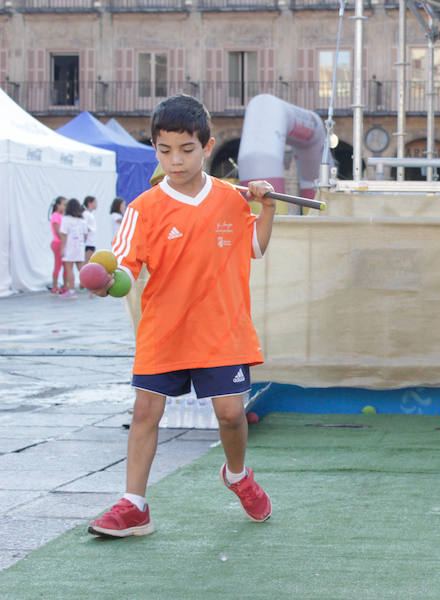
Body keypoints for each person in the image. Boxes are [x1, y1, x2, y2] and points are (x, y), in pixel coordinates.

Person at [86, 94, 277, 537]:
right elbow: (124, 271)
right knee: (145, 412)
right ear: (155, 147)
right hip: (165, 331)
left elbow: (255, 248)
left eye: (186, 150)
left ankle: (236, 475)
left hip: (222, 330)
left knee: (231, 415)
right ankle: (134, 506)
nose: (175, 160)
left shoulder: (232, 199)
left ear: (207, 147)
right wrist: (105, 283)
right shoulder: (142, 209)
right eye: (165, 150)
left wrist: (266, 208)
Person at [57, 198, 87, 299]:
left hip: (69, 247)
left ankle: (72, 291)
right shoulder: (82, 220)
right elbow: (85, 235)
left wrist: (62, 249)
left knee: (69, 269)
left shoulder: (66, 220)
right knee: (82, 269)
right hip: (79, 247)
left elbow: (63, 236)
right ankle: (93, 287)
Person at [48, 196, 65, 294]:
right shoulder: (55, 215)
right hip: (58, 243)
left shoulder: (62, 216)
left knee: (65, 266)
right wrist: (64, 241)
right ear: (58, 205)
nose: (65, 207)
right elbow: (57, 231)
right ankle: (54, 286)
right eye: (64, 204)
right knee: (58, 265)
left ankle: (65, 285)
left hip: (62, 243)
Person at [82, 195, 98, 264]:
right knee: (87, 262)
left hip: (91, 241)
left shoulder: (89, 214)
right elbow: (83, 226)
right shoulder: (85, 213)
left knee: (90, 262)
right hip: (88, 242)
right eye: (95, 202)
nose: (96, 204)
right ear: (89, 203)